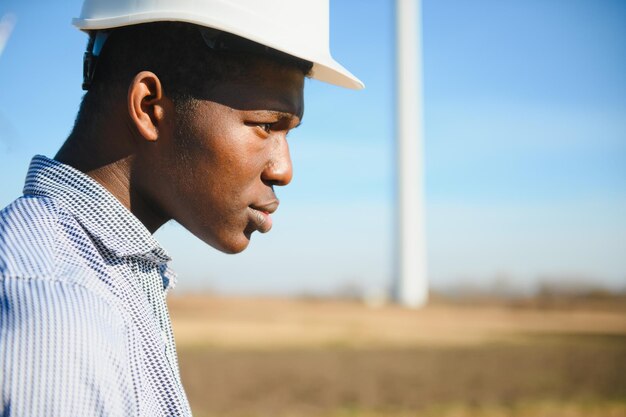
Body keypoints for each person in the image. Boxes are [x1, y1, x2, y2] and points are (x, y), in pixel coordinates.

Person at [0, 1, 363, 416]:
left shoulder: (102, 279)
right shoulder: (56, 313)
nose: (284, 170)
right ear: (150, 106)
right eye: (266, 125)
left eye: (288, 133)